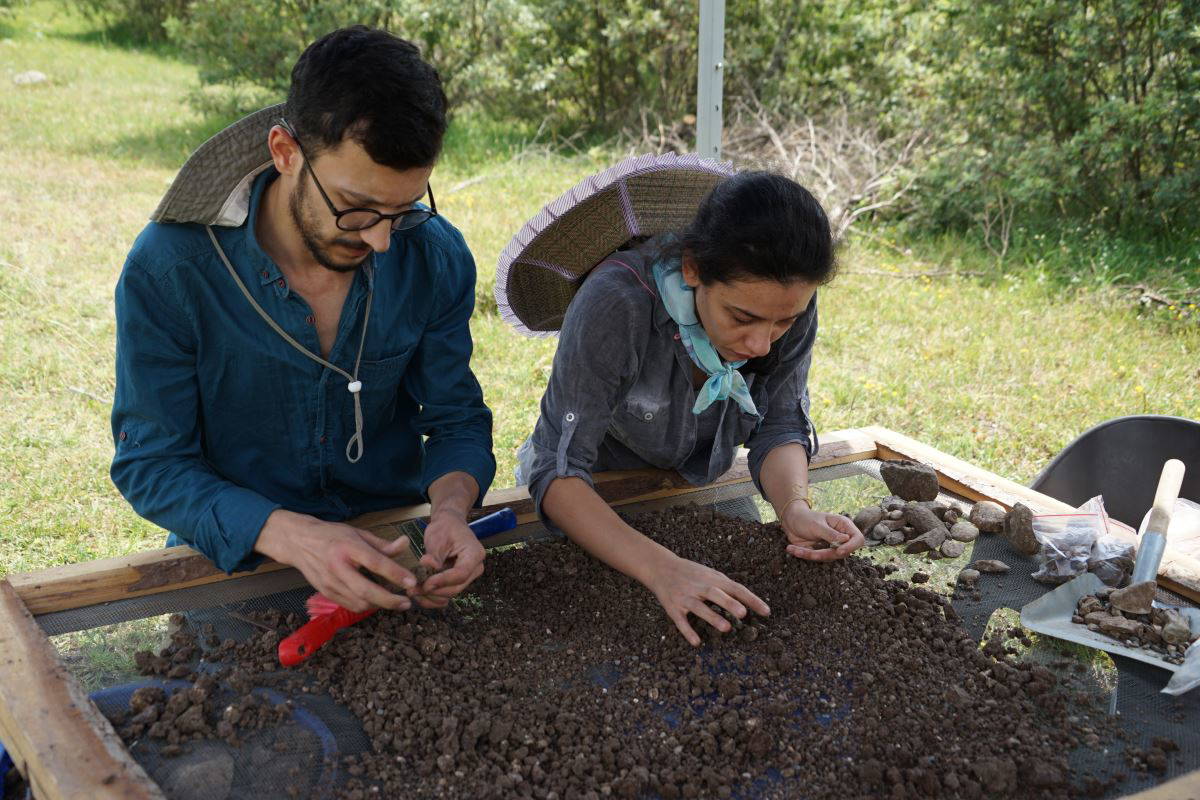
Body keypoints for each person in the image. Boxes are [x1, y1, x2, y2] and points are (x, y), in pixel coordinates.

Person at [110, 27, 494, 614]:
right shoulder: (172, 270)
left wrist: (448, 514)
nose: (382, 239)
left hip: (396, 555)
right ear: (286, 153)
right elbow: (153, 463)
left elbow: (457, 420)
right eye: (357, 209)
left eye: (403, 208)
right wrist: (297, 537)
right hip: (242, 561)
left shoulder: (434, 256)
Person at [500, 158, 864, 646]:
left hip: (699, 484)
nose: (762, 344)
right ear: (693, 268)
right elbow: (558, 470)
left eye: (782, 324)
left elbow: (778, 425)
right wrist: (663, 569)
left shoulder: (788, 304)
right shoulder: (617, 302)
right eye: (742, 317)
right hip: (596, 498)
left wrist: (794, 509)